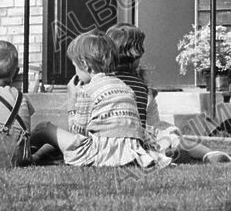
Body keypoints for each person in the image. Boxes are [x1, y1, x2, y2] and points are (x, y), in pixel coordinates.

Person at [30, 32, 170, 169]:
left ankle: (22, 152)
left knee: (44, 128)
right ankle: (36, 155)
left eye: (75, 66)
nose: (76, 72)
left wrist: (72, 99)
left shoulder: (88, 90)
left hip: (99, 153)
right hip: (130, 152)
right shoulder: (126, 88)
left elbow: (78, 131)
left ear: (85, 64)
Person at [106, 22, 231, 164]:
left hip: (114, 140)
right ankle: (206, 153)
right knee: (172, 137)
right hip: (140, 138)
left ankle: (167, 152)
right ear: (136, 55)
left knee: (165, 136)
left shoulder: (100, 83)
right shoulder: (142, 88)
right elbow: (152, 122)